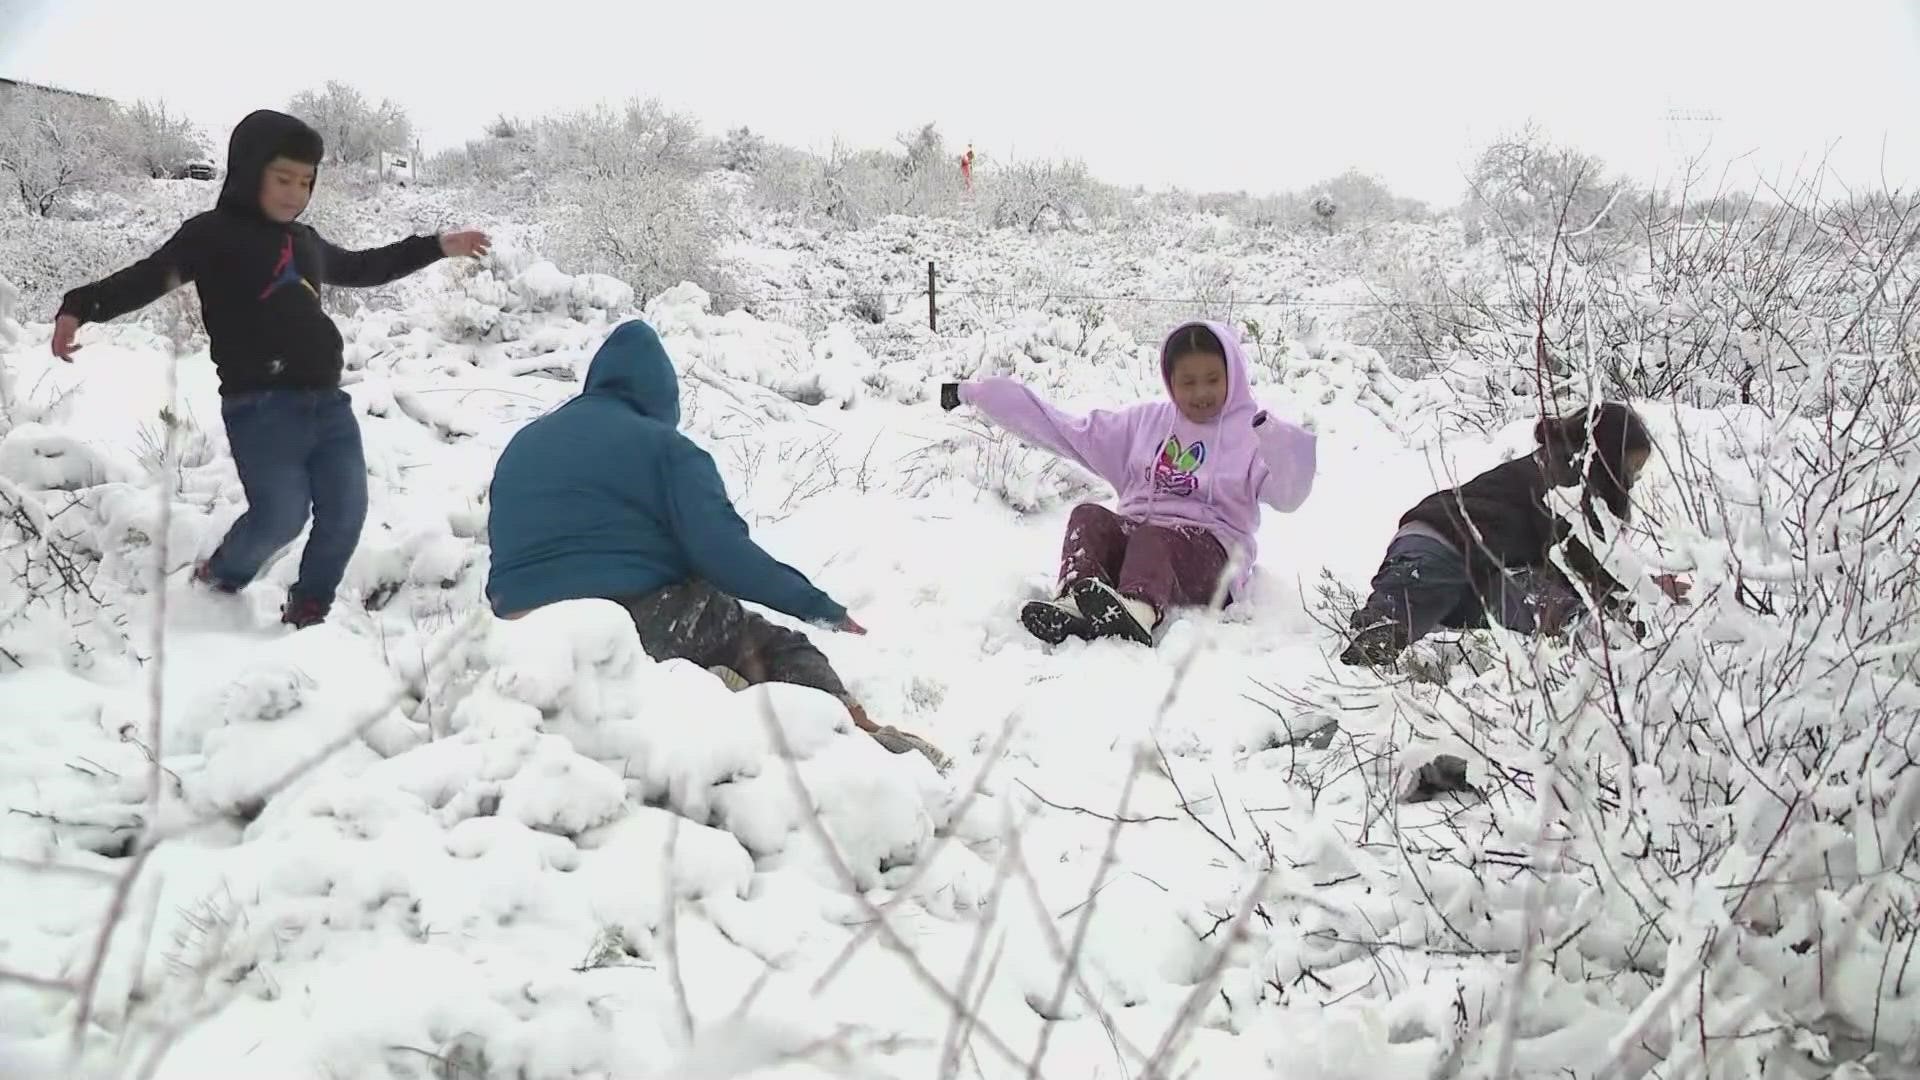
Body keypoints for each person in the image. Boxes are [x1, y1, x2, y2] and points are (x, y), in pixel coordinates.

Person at [50, 109, 492, 629]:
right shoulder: (211, 235)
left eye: (305, 181)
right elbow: (147, 278)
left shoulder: (303, 242)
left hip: (327, 405)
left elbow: (363, 267)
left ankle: (308, 610)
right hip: (258, 406)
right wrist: (80, 305)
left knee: (346, 512)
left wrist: (437, 247)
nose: (295, 192)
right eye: (282, 178)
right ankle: (217, 583)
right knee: (280, 515)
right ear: (249, 170)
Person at [485, 320, 949, 771]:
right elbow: (724, 554)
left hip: (519, 634)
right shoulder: (665, 448)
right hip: (630, 624)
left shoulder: (524, 443)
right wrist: (816, 605)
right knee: (778, 649)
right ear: (662, 394)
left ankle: (707, 690)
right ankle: (858, 739)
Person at [940, 320, 1317, 646]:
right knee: (1089, 515)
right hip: (1144, 545)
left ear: (1232, 377)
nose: (1200, 393)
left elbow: (1288, 495)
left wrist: (1281, 441)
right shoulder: (1145, 425)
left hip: (1213, 561)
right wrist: (976, 394)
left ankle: (1137, 610)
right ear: (1170, 382)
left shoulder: (1250, 435)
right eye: (1187, 382)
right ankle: (1075, 599)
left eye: (1212, 380)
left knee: (1155, 536)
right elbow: (1061, 429)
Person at [1340, 401, 1689, 666]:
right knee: (1413, 600)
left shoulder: (1563, 476)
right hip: (1442, 541)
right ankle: (1376, 631)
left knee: (1539, 602)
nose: (1631, 481)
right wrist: (1633, 594)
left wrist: (1639, 591)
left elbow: (1585, 565)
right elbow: (1580, 559)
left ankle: (1594, 641)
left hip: (1484, 569)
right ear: (1607, 456)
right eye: (1630, 469)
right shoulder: (1561, 479)